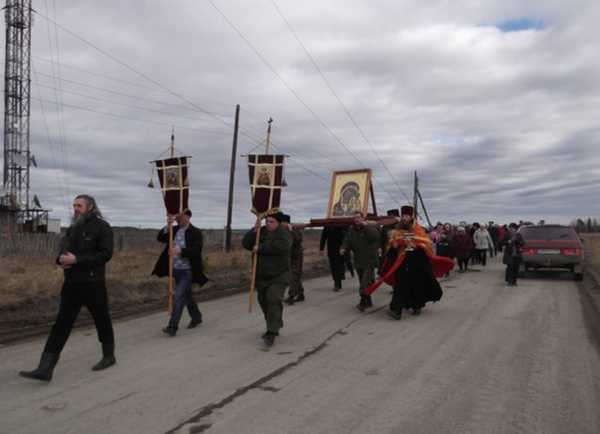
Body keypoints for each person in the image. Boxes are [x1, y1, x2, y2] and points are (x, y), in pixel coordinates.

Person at [19, 195, 116, 382]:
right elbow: (63, 252)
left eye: (79, 205)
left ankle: (109, 356)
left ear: (90, 207)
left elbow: (105, 254)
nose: (75, 208)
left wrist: (77, 260)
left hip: (93, 284)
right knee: (61, 325)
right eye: (74, 205)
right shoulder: (73, 228)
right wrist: (61, 261)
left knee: (102, 320)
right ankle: (45, 368)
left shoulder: (102, 227)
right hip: (71, 284)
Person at [374, 205, 450, 320]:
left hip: (416, 262)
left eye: (407, 216)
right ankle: (396, 310)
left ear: (411, 217)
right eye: (403, 216)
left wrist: (416, 246)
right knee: (399, 286)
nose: (404, 218)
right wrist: (394, 246)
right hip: (401, 262)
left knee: (416, 285)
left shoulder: (419, 230)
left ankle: (416, 306)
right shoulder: (397, 230)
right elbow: (391, 245)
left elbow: (427, 244)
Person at [152, 209, 207, 336]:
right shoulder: (175, 229)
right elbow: (160, 238)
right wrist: (169, 224)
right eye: (177, 217)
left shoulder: (195, 232)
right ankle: (197, 317)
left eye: (180, 217)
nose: (178, 219)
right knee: (187, 295)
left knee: (178, 296)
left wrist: (180, 251)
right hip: (174, 269)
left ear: (187, 217)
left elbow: (196, 250)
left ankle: (172, 327)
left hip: (187, 270)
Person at [242, 211, 292, 346]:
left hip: (279, 275)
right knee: (263, 300)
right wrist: (254, 230)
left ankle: (271, 332)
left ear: (278, 223)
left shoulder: (284, 232)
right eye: (267, 221)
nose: (268, 224)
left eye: (272, 222)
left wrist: (261, 248)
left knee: (273, 298)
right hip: (262, 275)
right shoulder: (261, 231)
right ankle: (275, 322)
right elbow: (246, 244)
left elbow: (282, 246)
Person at [340, 212, 382, 312]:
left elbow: (376, 237)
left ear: (363, 218)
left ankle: (363, 302)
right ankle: (369, 300)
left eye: (358, 217)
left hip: (369, 260)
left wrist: (367, 226)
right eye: (355, 218)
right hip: (358, 260)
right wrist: (343, 248)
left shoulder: (370, 227)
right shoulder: (351, 230)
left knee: (364, 282)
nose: (356, 219)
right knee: (364, 282)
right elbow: (347, 241)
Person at [282, 215, 305, 305]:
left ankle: (291, 296)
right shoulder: (283, 230)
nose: (281, 224)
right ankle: (300, 294)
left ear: (286, 222)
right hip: (289, 256)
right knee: (295, 276)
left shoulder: (294, 230)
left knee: (294, 276)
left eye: (282, 222)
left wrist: (291, 230)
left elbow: (298, 240)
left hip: (297, 256)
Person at [319, 226, 348, 291]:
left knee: (339, 265)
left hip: (341, 249)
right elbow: (323, 237)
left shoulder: (341, 226)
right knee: (334, 267)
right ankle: (337, 283)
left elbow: (346, 237)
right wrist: (321, 249)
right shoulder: (327, 227)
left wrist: (344, 247)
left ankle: (339, 281)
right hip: (331, 250)